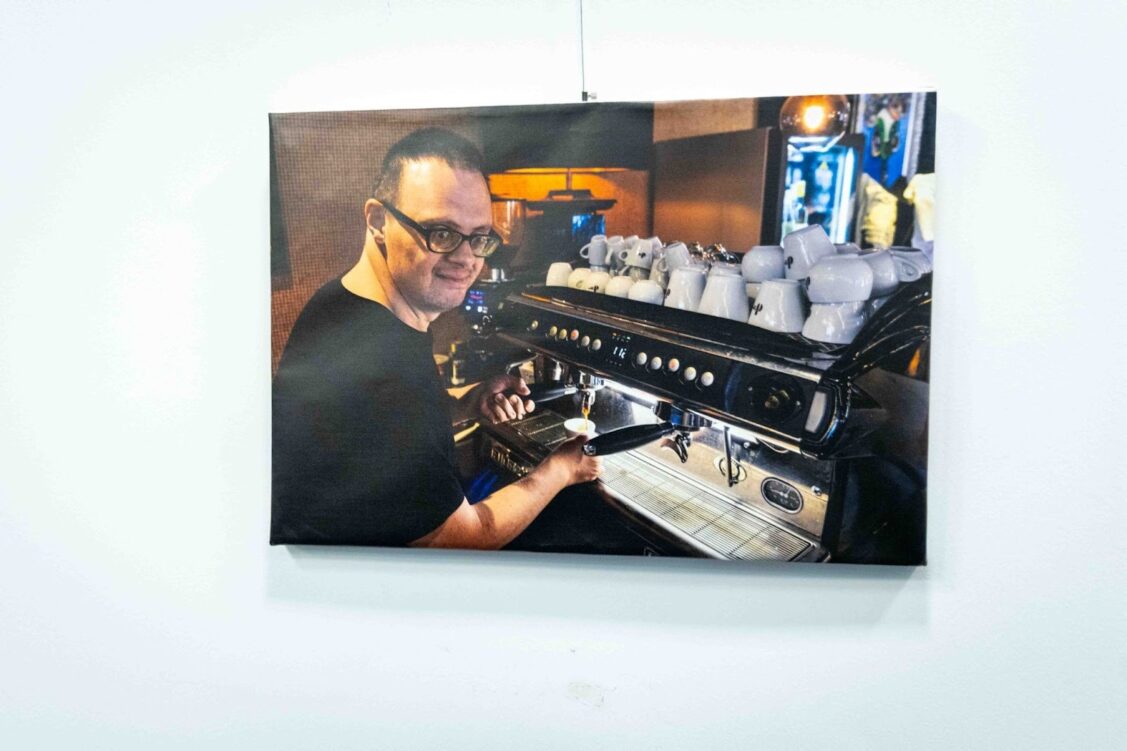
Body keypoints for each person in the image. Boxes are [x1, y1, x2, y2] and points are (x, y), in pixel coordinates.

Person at [271, 128, 601, 549]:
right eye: (441, 233)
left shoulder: (345, 303)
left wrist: (464, 406)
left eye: (479, 237)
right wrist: (560, 470)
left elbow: (373, 435)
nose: (466, 259)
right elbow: (455, 539)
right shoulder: (386, 366)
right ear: (378, 221)